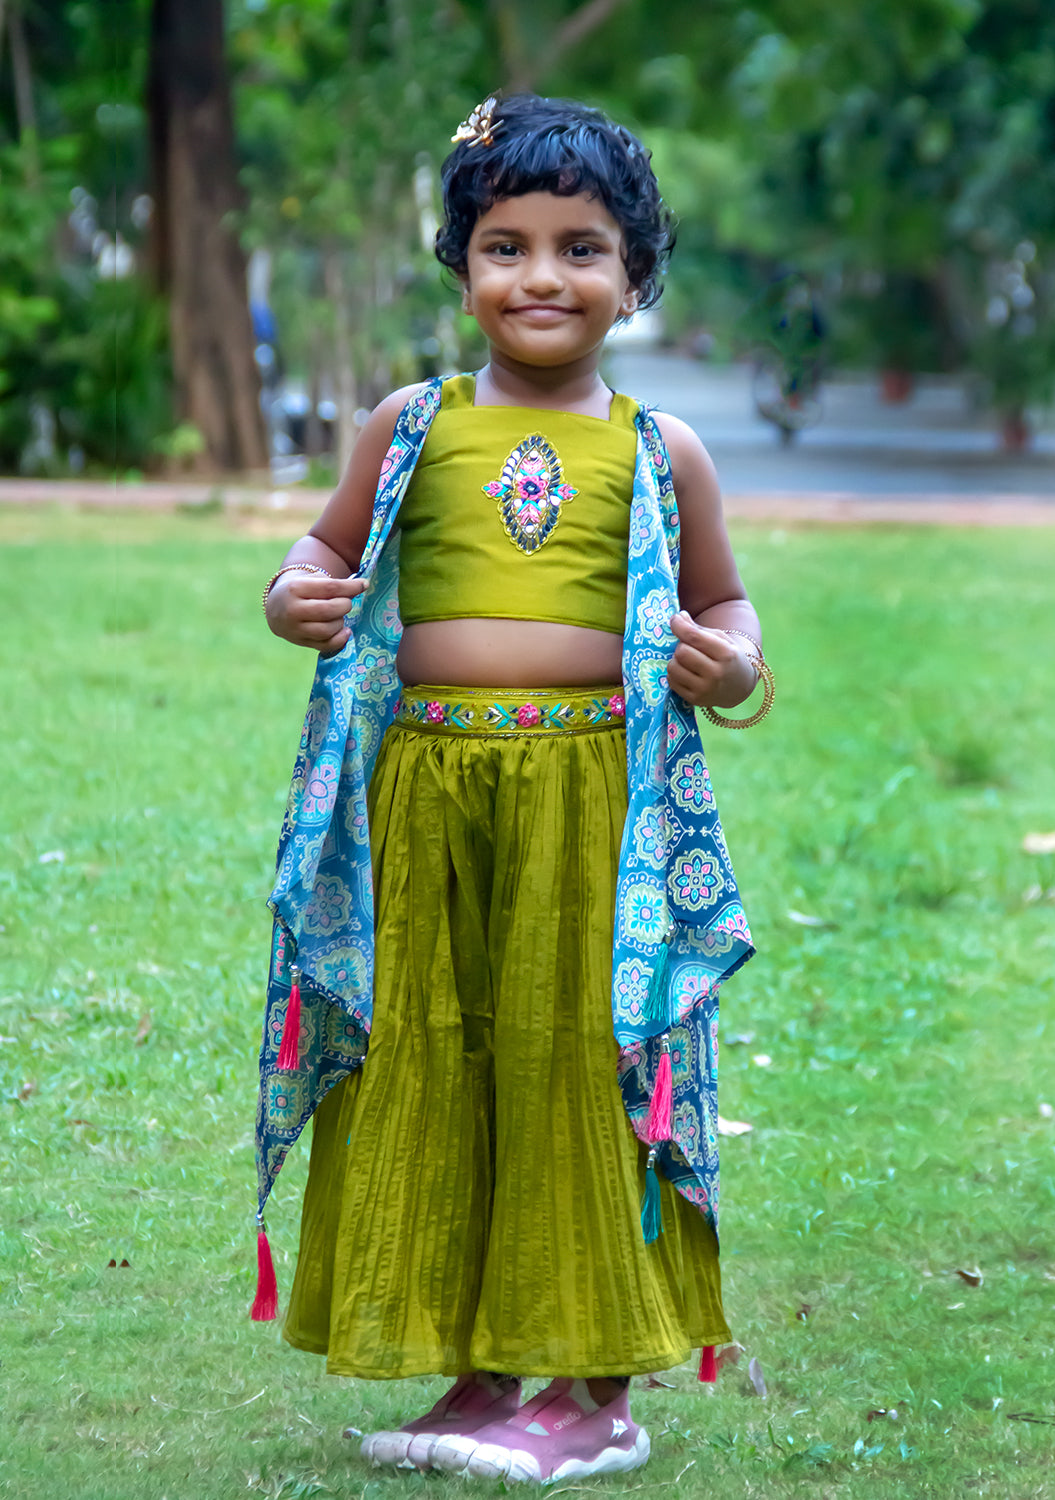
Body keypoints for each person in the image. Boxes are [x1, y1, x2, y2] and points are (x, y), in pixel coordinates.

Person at [253, 92, 770, 1485]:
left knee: (570, 1064)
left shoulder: (661, 453)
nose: (541, 276)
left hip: (591, 804)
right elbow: (311, 559)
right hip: (424, 799)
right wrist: (293, 598)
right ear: (462, 263)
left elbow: (726, 606)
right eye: (506, 245)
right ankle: (481, 1373)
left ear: (636, 273)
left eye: (581, 247)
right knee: (437, 1051)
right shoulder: (409, 426)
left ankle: (593, 1391)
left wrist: (731, 668)